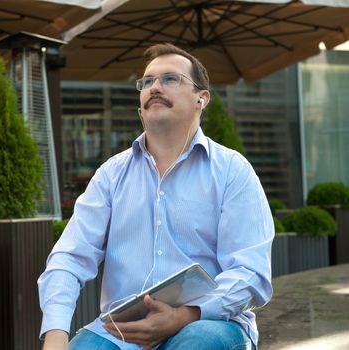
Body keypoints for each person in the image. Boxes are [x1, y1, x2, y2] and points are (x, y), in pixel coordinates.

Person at [38, 43, 274, 350]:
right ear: (140, 103)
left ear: (201, 98)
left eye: (170, 79)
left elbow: (251, 273)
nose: (155, 87)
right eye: (147, 82)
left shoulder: (232, 171)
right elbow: (69, 258)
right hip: (122, 332)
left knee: (197, 342)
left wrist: (183, 316)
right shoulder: (111, 174)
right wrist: (55, 334)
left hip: (208, 323)